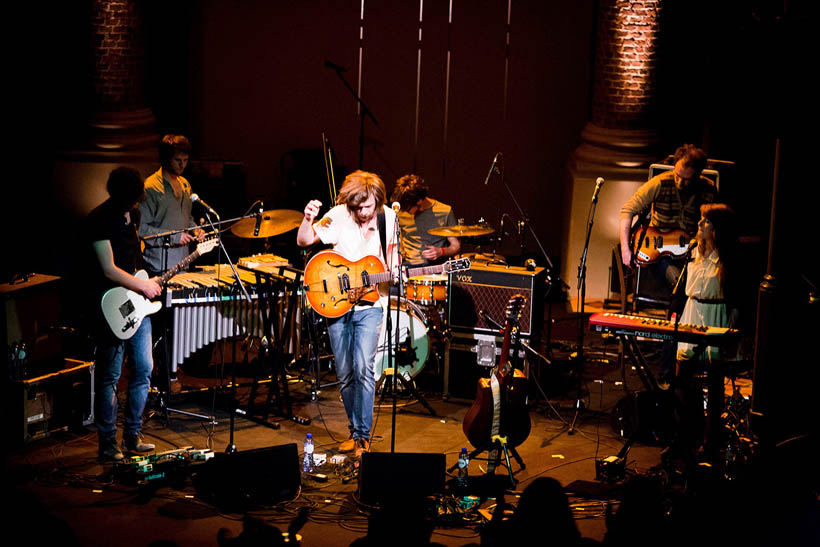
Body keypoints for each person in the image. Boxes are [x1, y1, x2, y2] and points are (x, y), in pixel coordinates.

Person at [297, 171, 399, 457]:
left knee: (364, 368)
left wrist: (396, 269)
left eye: (366, 207)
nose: (362, 213)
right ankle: (355, 432)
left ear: (377, 200)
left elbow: (394, 262)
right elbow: (304, 241)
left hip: (371, 305)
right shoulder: (340, 214)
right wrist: (307, 218)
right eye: (356, 208)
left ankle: (363, 437)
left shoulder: (388, 218)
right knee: (344, 373)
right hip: (337, 301)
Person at [619, 144, 717, 385]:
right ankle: (670, 373)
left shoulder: (707, 190)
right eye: (677, 175)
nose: (680, 182)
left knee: (689, 294)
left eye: (686, 179)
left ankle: (677, 370)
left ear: (697, 174)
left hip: (691, 254)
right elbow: (627, 210)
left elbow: (713, 225)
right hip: (660, 256)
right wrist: (625, 248)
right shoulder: (660, 183)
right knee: (681, 284)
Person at [86, 167, 162, 461]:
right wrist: (141, 284)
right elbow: (107, 268)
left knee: (144, 369)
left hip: (137, 301)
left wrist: (148, 282)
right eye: (133, 198)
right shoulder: (99, 219)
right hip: (111, 305)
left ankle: (132, 434)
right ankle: (107, 443)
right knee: (110, 376)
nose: (137, 203)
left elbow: (133, 260)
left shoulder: (135, 216)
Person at [673, 203, 739, 462]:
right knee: (681, 379)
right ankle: (683, 438)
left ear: (717, 229)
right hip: (692, 313)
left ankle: (709, 442)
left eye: (705, 222)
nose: (699, 225)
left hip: (715, 316)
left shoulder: (727, 259)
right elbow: (681, 288)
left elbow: (735, 298)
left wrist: (733, 334)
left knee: (714, 384)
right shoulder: (694, 253)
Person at [139, 134, 204, 277]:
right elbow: (142, 229)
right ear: (165, 158)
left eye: (186, 160)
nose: (182, 165)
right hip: (159, 267)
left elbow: (187, 218)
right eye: (178, 160)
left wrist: (196, 230)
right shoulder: (150, 188)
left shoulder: (185, 184)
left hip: (183, 264)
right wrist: (174, 238)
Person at [390, 174, 460, 267]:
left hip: (433, 268)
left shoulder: (445, 211)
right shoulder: (400, 210)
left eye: (408, 208)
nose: (405, 211)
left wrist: (441, 251)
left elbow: (455, 246)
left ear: (419, 201)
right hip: (407, 266)